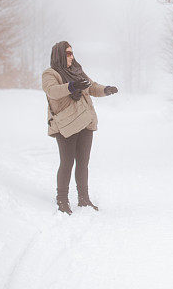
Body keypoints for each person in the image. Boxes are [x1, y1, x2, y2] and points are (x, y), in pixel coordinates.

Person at [42, 41, 118, 214]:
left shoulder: (77, 71)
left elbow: (92, 87)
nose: (71, 56)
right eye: (68, 53)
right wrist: (71, 86)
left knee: (83, 163)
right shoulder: (50, 73)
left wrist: (106, 89)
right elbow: (52, 91)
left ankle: (84, 199)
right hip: (66, 125)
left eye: (72, 53)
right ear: (59, 54)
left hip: (85, 123)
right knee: (67, 163)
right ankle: (62, 199)